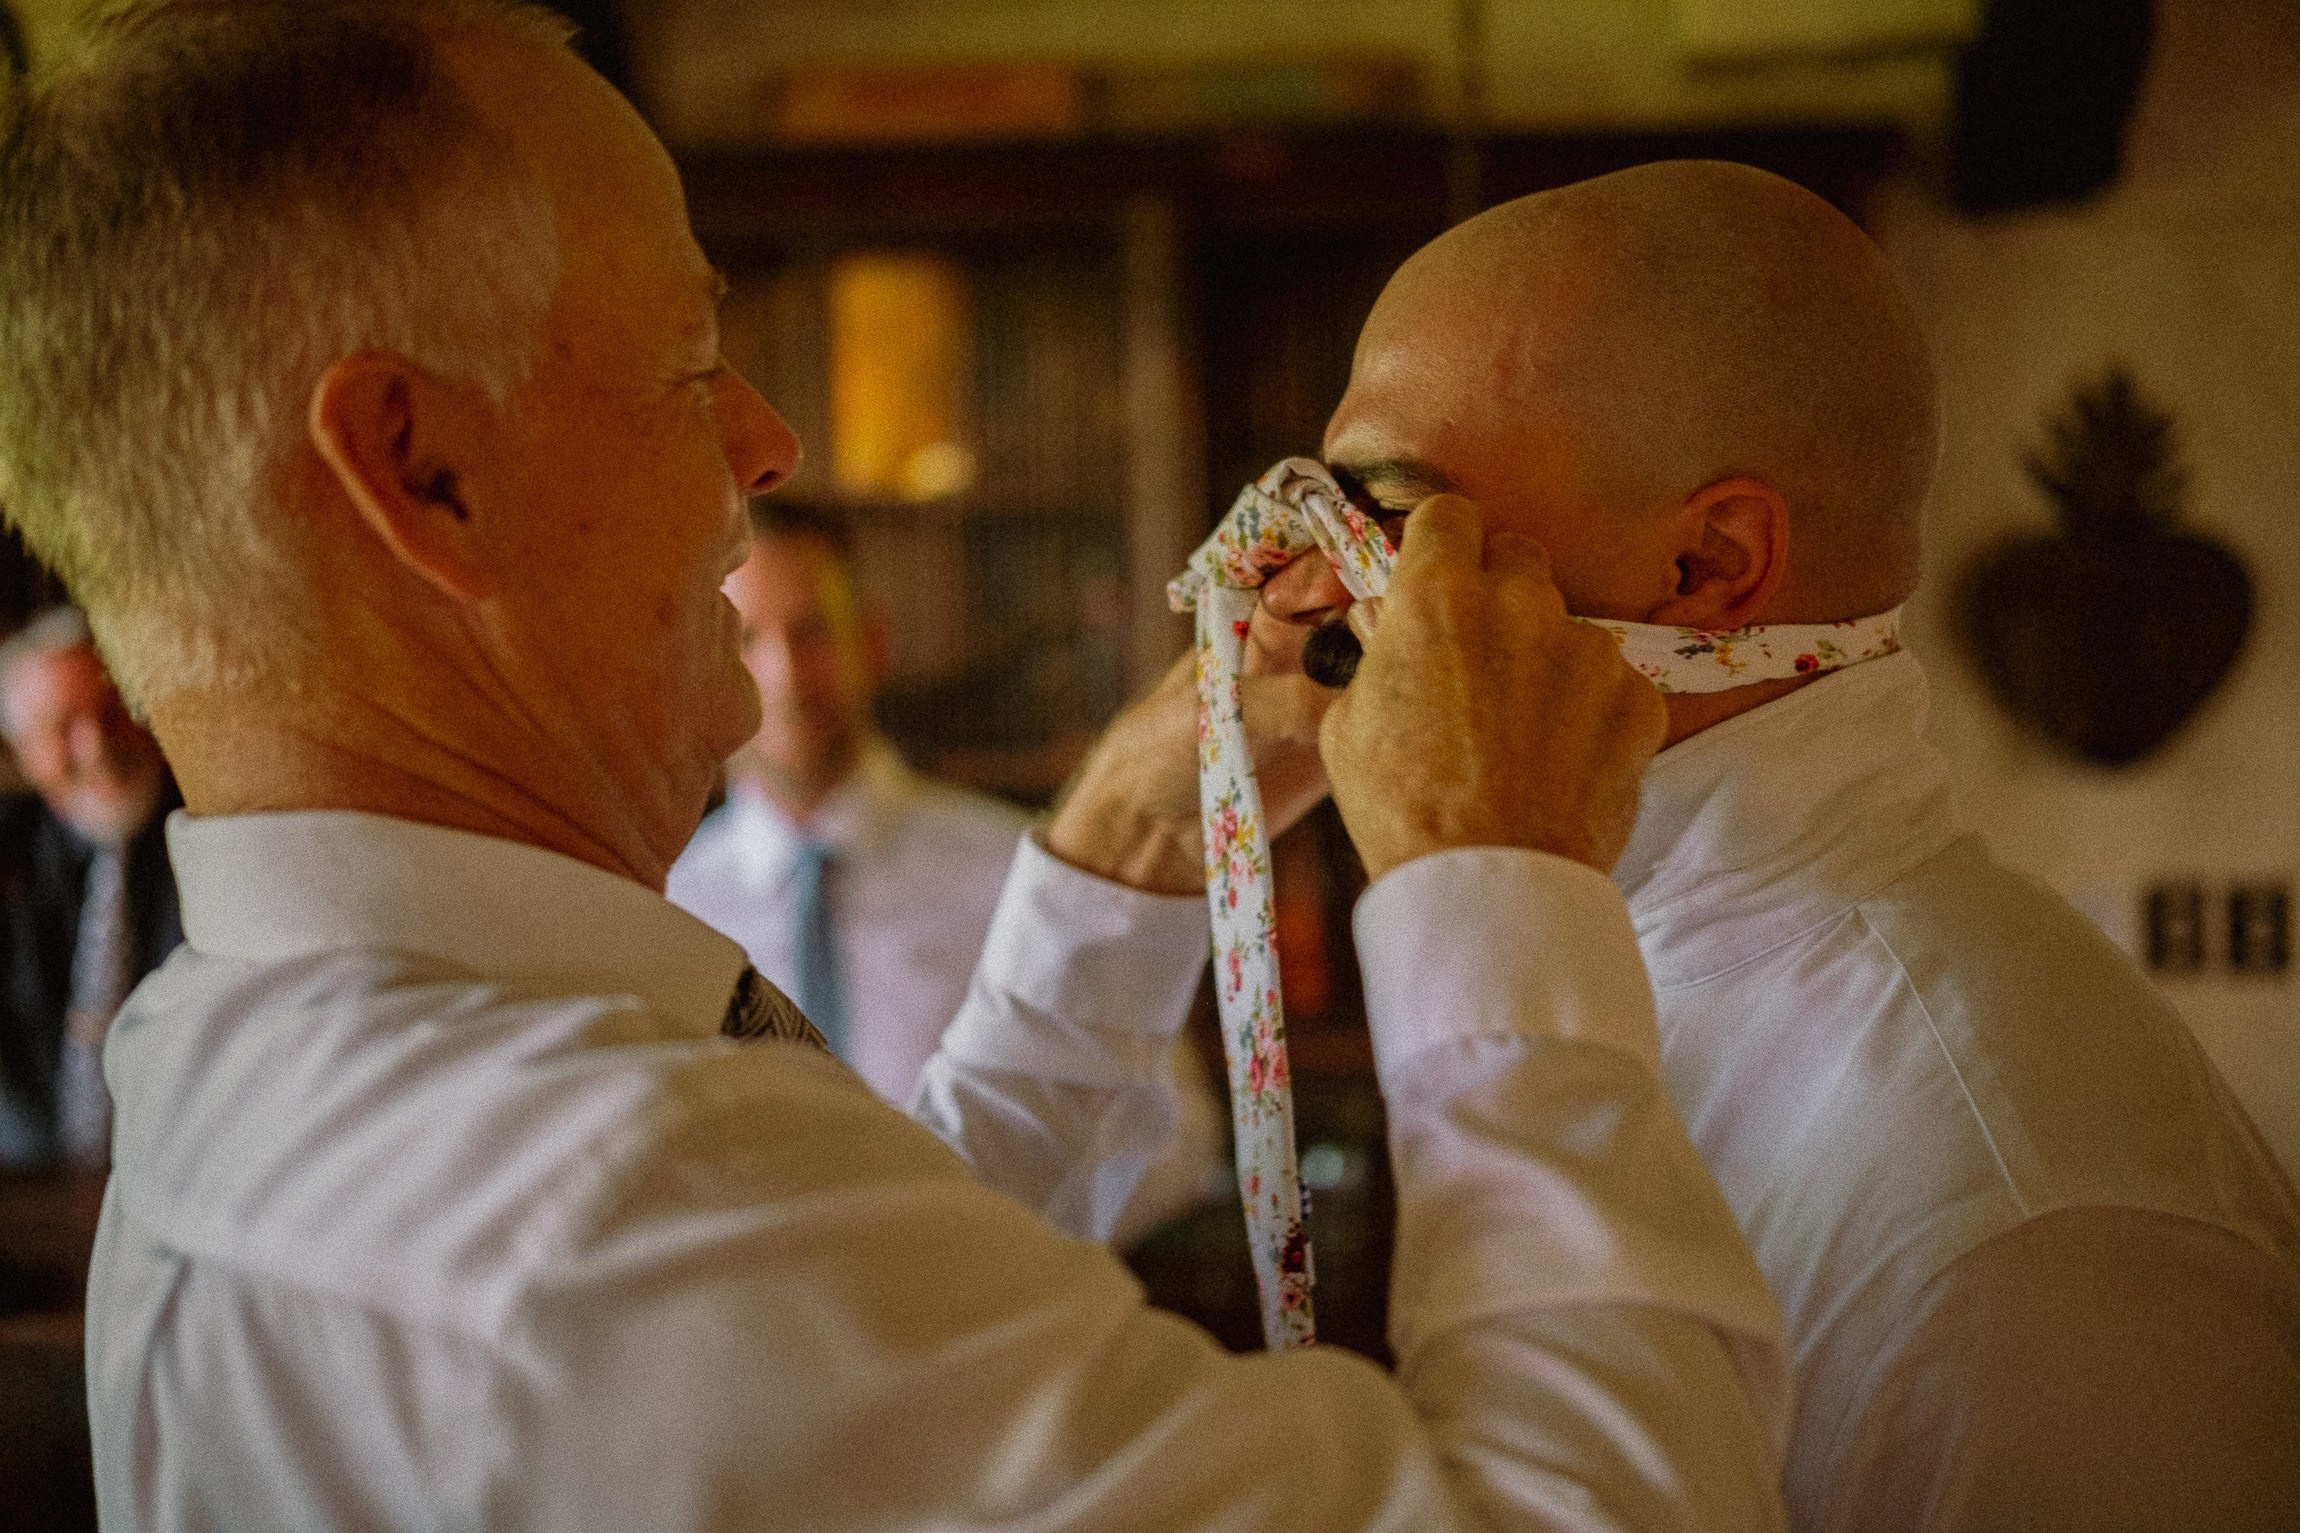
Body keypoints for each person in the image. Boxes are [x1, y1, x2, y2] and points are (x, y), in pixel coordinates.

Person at [0, 5, 1795, 1529]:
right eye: (689, 359)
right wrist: (1495, 890)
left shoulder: (243, 1037)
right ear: (424, 470)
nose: (770, 443)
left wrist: (1117, 859)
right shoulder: (599, 1225)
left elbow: (861, 1312)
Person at [1241, 160, 2300, 1532]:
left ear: (1704, 571)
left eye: (1383, 514)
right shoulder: (1613, 978)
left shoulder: (2021, 1218)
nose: (1310, 583)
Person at [669, 500, 1223, 1235]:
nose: (785, 675)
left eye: (813, 633)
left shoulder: (1021, 866)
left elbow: (1180, 1131)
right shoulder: (663, 907)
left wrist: (993, 1242)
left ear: (872, 641)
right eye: (746, 638)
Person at [0, 606, 178, 1168]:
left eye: (114, 709)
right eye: (61, 726)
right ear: (23, 752)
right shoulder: (9, 854)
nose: (96, 744)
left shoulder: (215, 839)